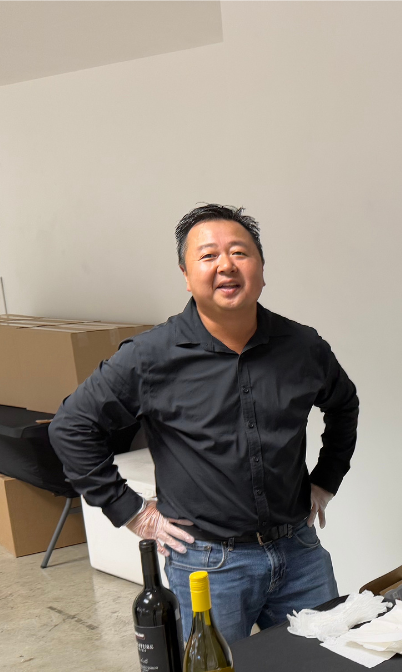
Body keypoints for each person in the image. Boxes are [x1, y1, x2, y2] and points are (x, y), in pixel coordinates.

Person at [51, 204, 359, 642]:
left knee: (323, 671)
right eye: (208, 255)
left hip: (299, 552)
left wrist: (326, 480)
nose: (226, 265)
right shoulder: (151, 355)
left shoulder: (303, 346)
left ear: (261, 268)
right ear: (185, 274)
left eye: (240, 252)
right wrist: (130, 511)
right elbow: (71, 427)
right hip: (208, 565)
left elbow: (344, 406)